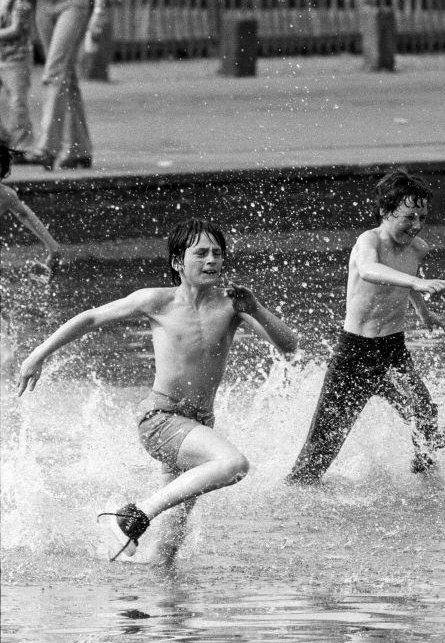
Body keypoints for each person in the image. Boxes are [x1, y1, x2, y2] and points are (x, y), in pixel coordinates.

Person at [17, 218, 299, 563]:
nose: (212, 260)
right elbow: (91, 318)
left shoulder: (233, 305)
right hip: (161, 419)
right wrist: (37, 355)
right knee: (233, 464)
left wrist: (256, 308)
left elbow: (288, 346)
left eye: (217, 253)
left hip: (197, 426)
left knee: (168, 551)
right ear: (178, 262)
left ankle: (152, 595)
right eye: (201, 253)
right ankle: (136, 513)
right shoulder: (157, 300)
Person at [285, 169, 445, 484]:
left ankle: (427, 482)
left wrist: (424, 312)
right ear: (386, 212)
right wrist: (419, 281)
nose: (416, 225)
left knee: (425, 416)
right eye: (409, 217)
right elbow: (370, 270)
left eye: (423, 217)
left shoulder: (418, 248)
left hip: (392, 351)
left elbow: (404, 284)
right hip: (354, 354)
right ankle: (296, 492)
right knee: (321, 448)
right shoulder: (369, 242)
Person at [21, 0, 112, 170]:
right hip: (43, 6)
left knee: (54, 71)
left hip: (73, 3)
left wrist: (100, 9)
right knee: (65, 75)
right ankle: (79, 150)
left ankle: (47, 146)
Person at [1, 143, 63, 273]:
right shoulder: (6, 195)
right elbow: (24, 214)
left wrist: (53, 247)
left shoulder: (6, 195)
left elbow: (24, 214)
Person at [0, 0, 36, 158]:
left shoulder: (20, 1)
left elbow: (17, 29)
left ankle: (22, 145)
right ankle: (6, 140)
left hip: (17, 59)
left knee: (17, 102)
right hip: (2, 58)